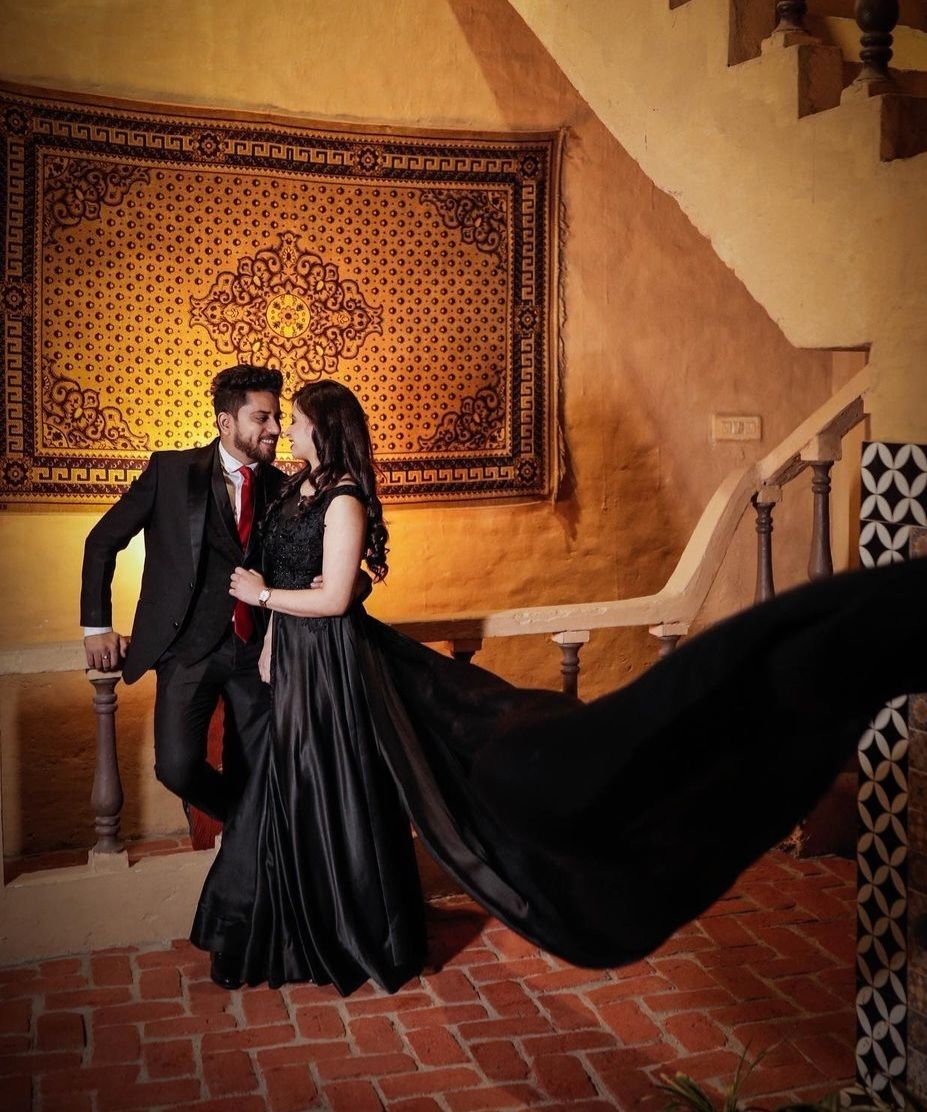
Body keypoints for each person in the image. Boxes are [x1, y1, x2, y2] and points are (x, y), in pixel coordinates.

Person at [192, 379, 927, 995]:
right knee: (289, 796)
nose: (284, 429)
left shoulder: (344, 500)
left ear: (323, 428)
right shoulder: (298, 490)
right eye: (280, 419)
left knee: (333, 796)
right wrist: (271, 644)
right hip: (293, 663)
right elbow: (301, 580)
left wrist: (263, 600)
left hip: (330, 670)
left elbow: (331, 597)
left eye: (292, 421)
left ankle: (349, 936)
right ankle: (294, 927)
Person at [80, 365, 286, 830]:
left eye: (277, 417)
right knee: (174, 765)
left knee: (261, 768)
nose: (274, 429)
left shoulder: (283, 487)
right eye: (262, 418)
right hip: (187, 650)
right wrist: (97, 627)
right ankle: (247, 826)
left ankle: (254, 856)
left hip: (258, 653)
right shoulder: (171, 471)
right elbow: (101, 541)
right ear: (226, 422)